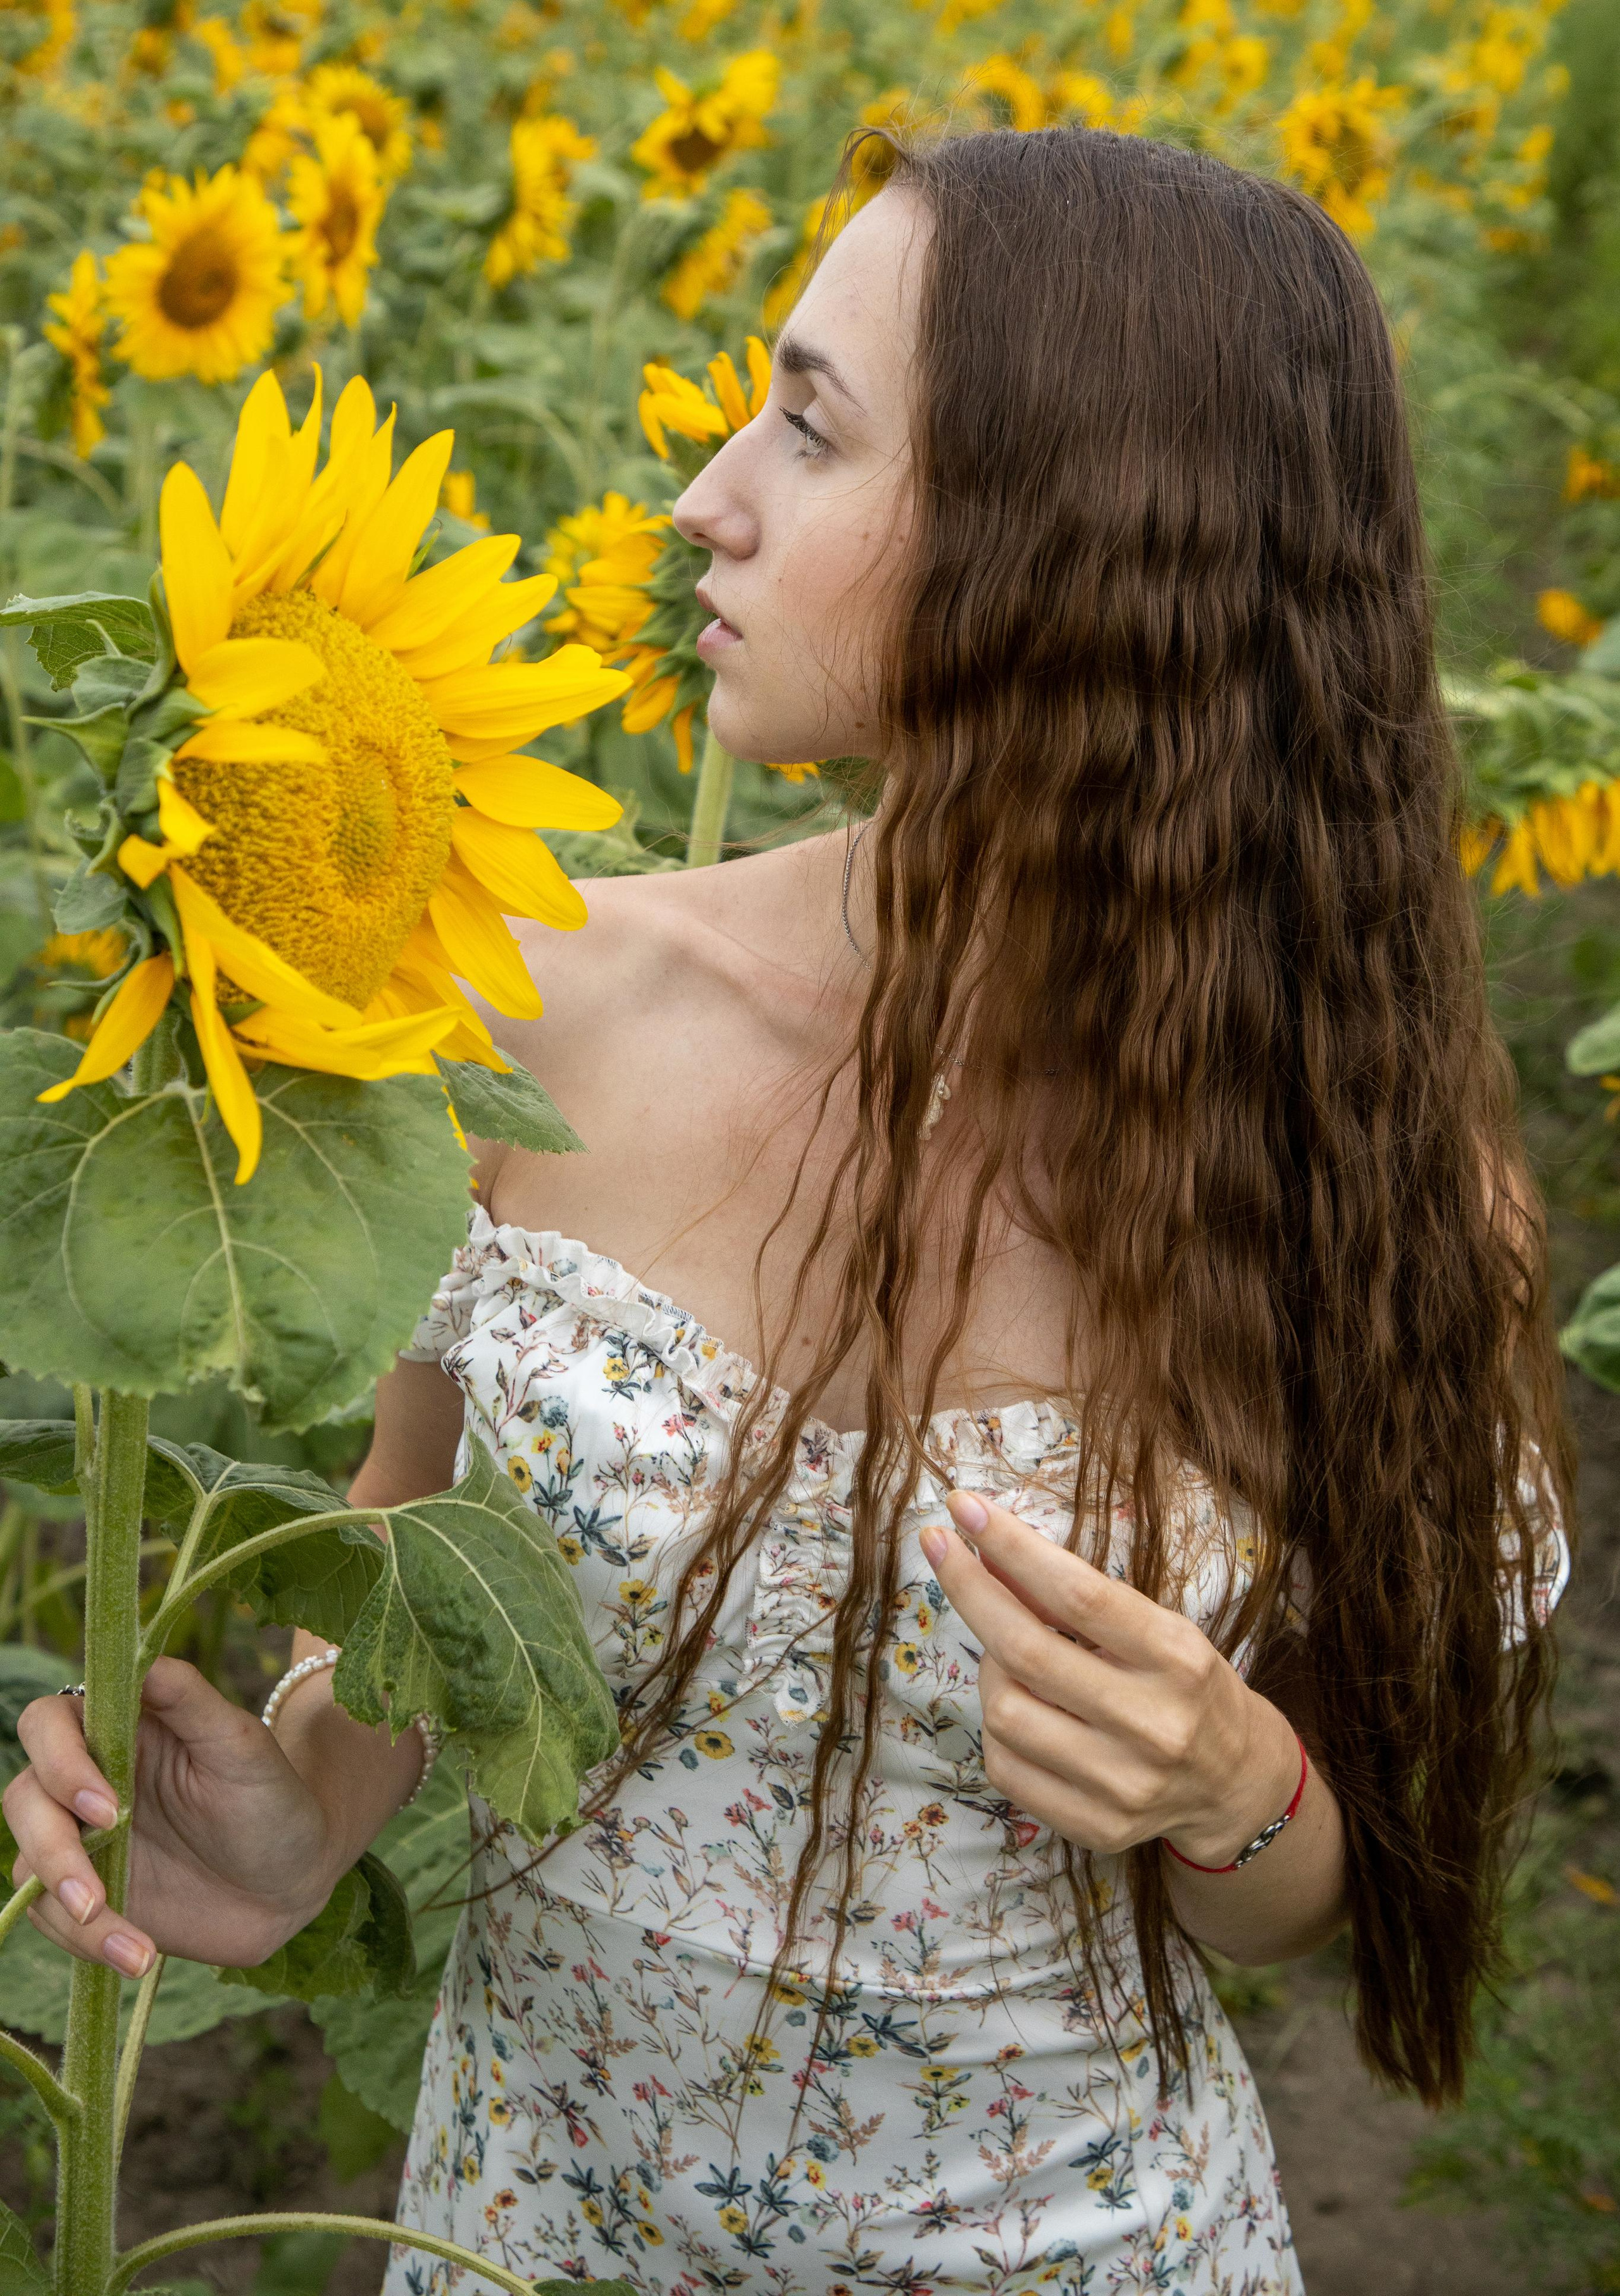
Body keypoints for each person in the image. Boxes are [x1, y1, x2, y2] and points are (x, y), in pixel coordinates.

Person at [6, 126, 1571, 2295]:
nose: (703, 496)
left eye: (812, 428)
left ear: (1072, 551)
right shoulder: (528, 1007)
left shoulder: (1350, 1167)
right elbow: (400, 1605)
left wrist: (1230, 1779)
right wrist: (283, 1830)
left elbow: (1300, 1902)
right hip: (537, 2232)